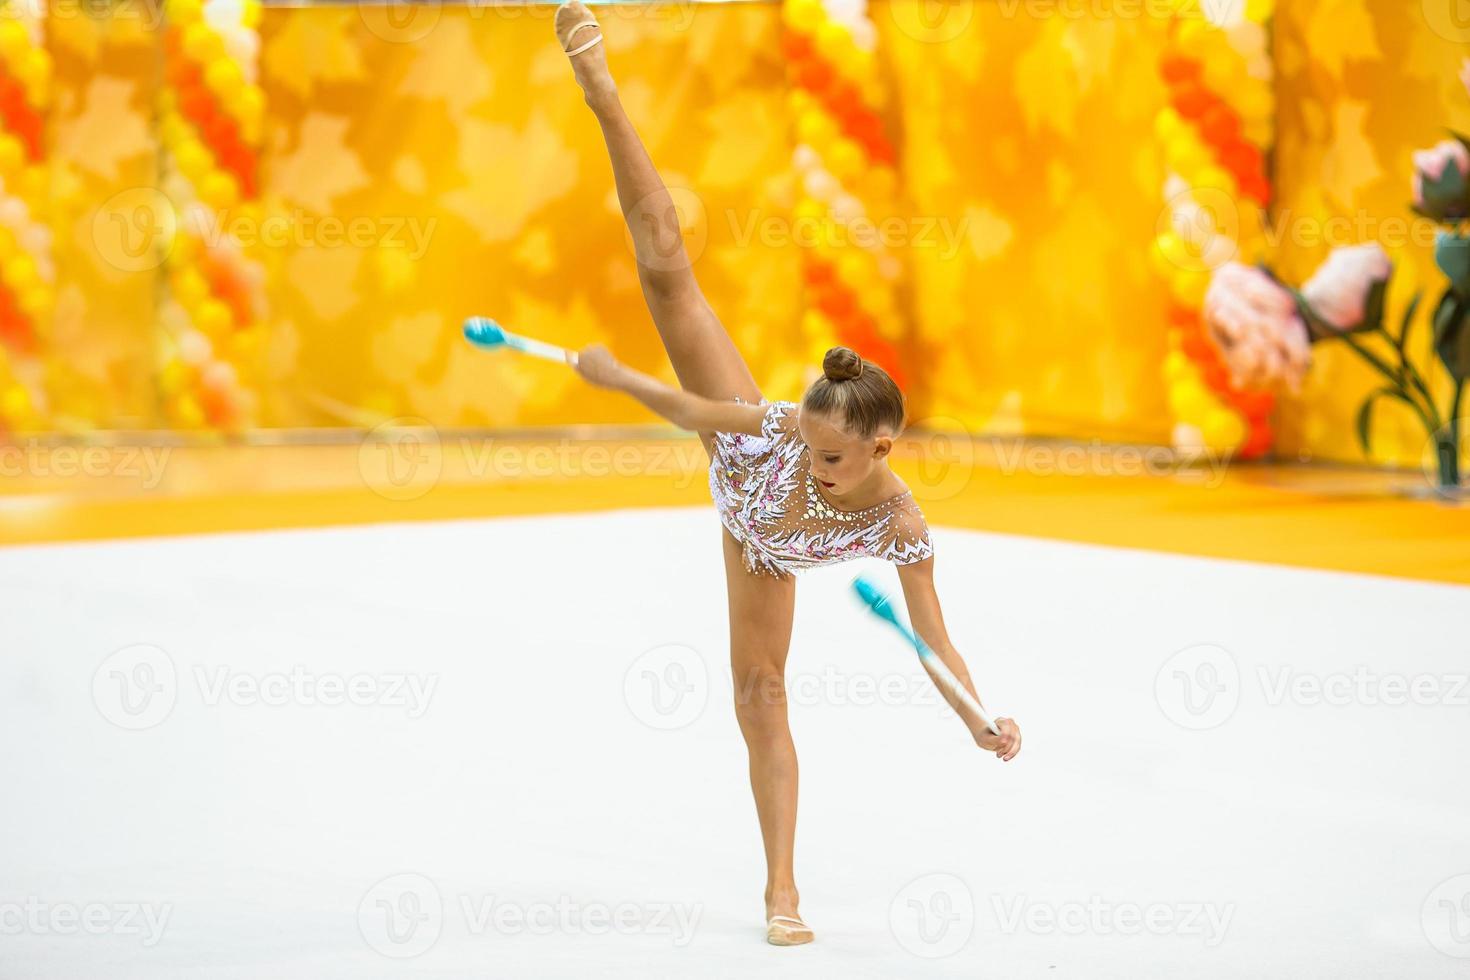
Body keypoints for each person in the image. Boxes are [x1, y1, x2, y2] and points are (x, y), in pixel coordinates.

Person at [553, 0, 1021, 946]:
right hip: (736, 475)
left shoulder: (903, 528)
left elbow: (934, 643)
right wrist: (619, 377)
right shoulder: (780, 431)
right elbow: (696, 414)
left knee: (762, 697)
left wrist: (974, 714)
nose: (819, 465)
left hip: (764, 554)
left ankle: (782, 893)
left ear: (883, 450)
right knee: (669, 272)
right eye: (812, 446)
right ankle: (605, 96)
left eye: (835, 457)